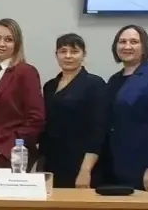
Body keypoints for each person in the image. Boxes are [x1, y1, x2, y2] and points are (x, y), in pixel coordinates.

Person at [100, 25, 148, 192]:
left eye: (134, 42)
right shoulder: (114, 80)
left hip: (139, 164)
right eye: (122, 42)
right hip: (109, 164)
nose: (127, 46)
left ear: (144, 47)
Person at [40, 33, 107, 188]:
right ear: (56, 55)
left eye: (74, 51)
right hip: (52, 163)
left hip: (81, 165)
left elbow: (98, 131)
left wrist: (85, 170)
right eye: (63, 51)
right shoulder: (50, 86)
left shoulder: (94, 84)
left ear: (83, 55)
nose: (68, 56)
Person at [0, 18, 46, 168]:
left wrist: (13, 146)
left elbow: (36, 118)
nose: (1, 44)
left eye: (8, 40)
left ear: (17, 43)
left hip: (10, 154)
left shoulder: (25, 72)